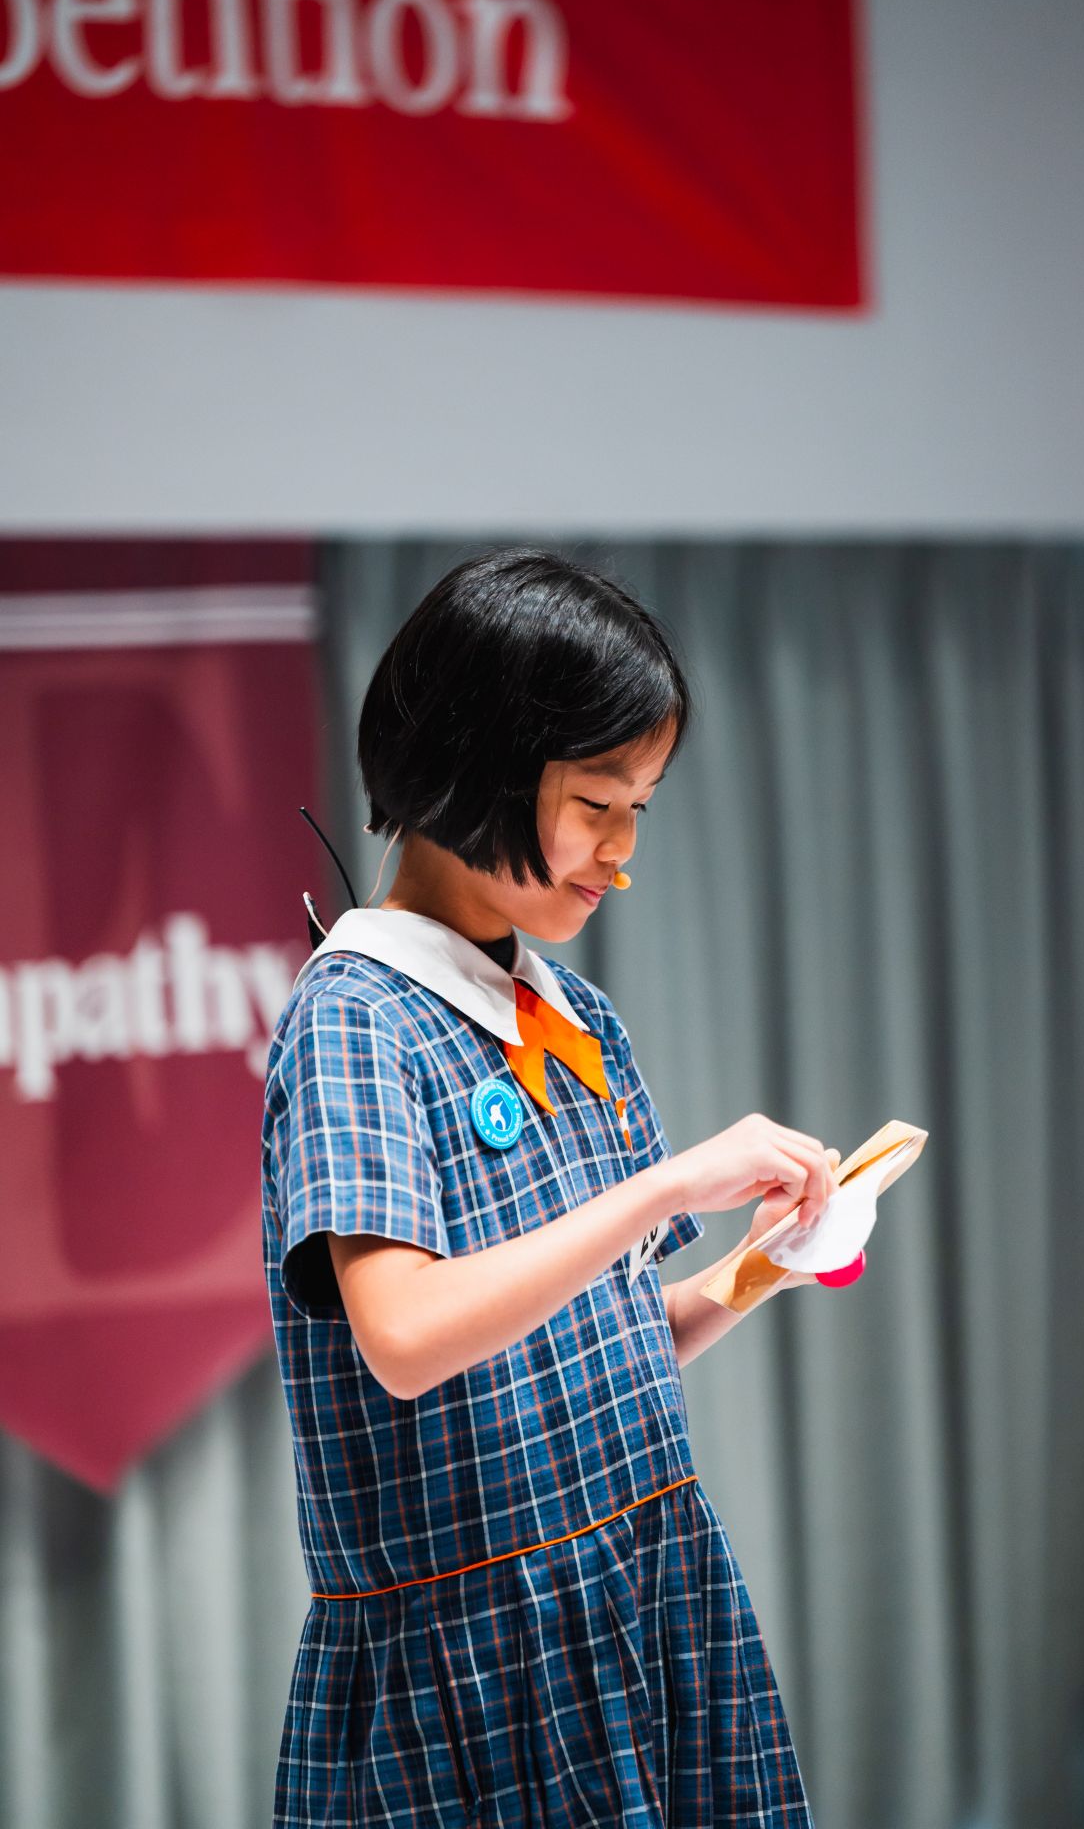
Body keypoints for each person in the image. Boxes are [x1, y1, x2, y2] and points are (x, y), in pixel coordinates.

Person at [262, 548, 840, 1827]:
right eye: (596, 802)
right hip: (477, 1665)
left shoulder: (570, 1015)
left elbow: (607, 1336)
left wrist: (761, 1265)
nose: (621, 852)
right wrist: (663, 1187)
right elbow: (405, 1337)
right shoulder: (355, 1016)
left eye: (641, 806)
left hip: (640, 1583)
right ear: (474, 765)